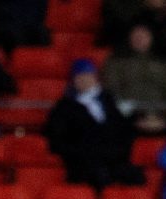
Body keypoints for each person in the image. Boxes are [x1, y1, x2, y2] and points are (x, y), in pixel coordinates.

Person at [44, 59, 142, 190]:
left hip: (114, 158)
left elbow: (125, 126)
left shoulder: (110, 100)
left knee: (135, 177)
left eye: (88, 75)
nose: (84, 80)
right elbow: (57, 138)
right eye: (80, 76)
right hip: (84, 162)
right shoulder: (64, 107)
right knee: (99, 177)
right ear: (73, 80)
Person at [102, 23, 166, 136]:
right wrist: (137, 116)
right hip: (128, 117)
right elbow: (111, 92)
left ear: (151, 38)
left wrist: (158, 117)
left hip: (160, 116)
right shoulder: (116, 62)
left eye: (144, 36)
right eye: (136, 36)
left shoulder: (162, 63)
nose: (140, 39)